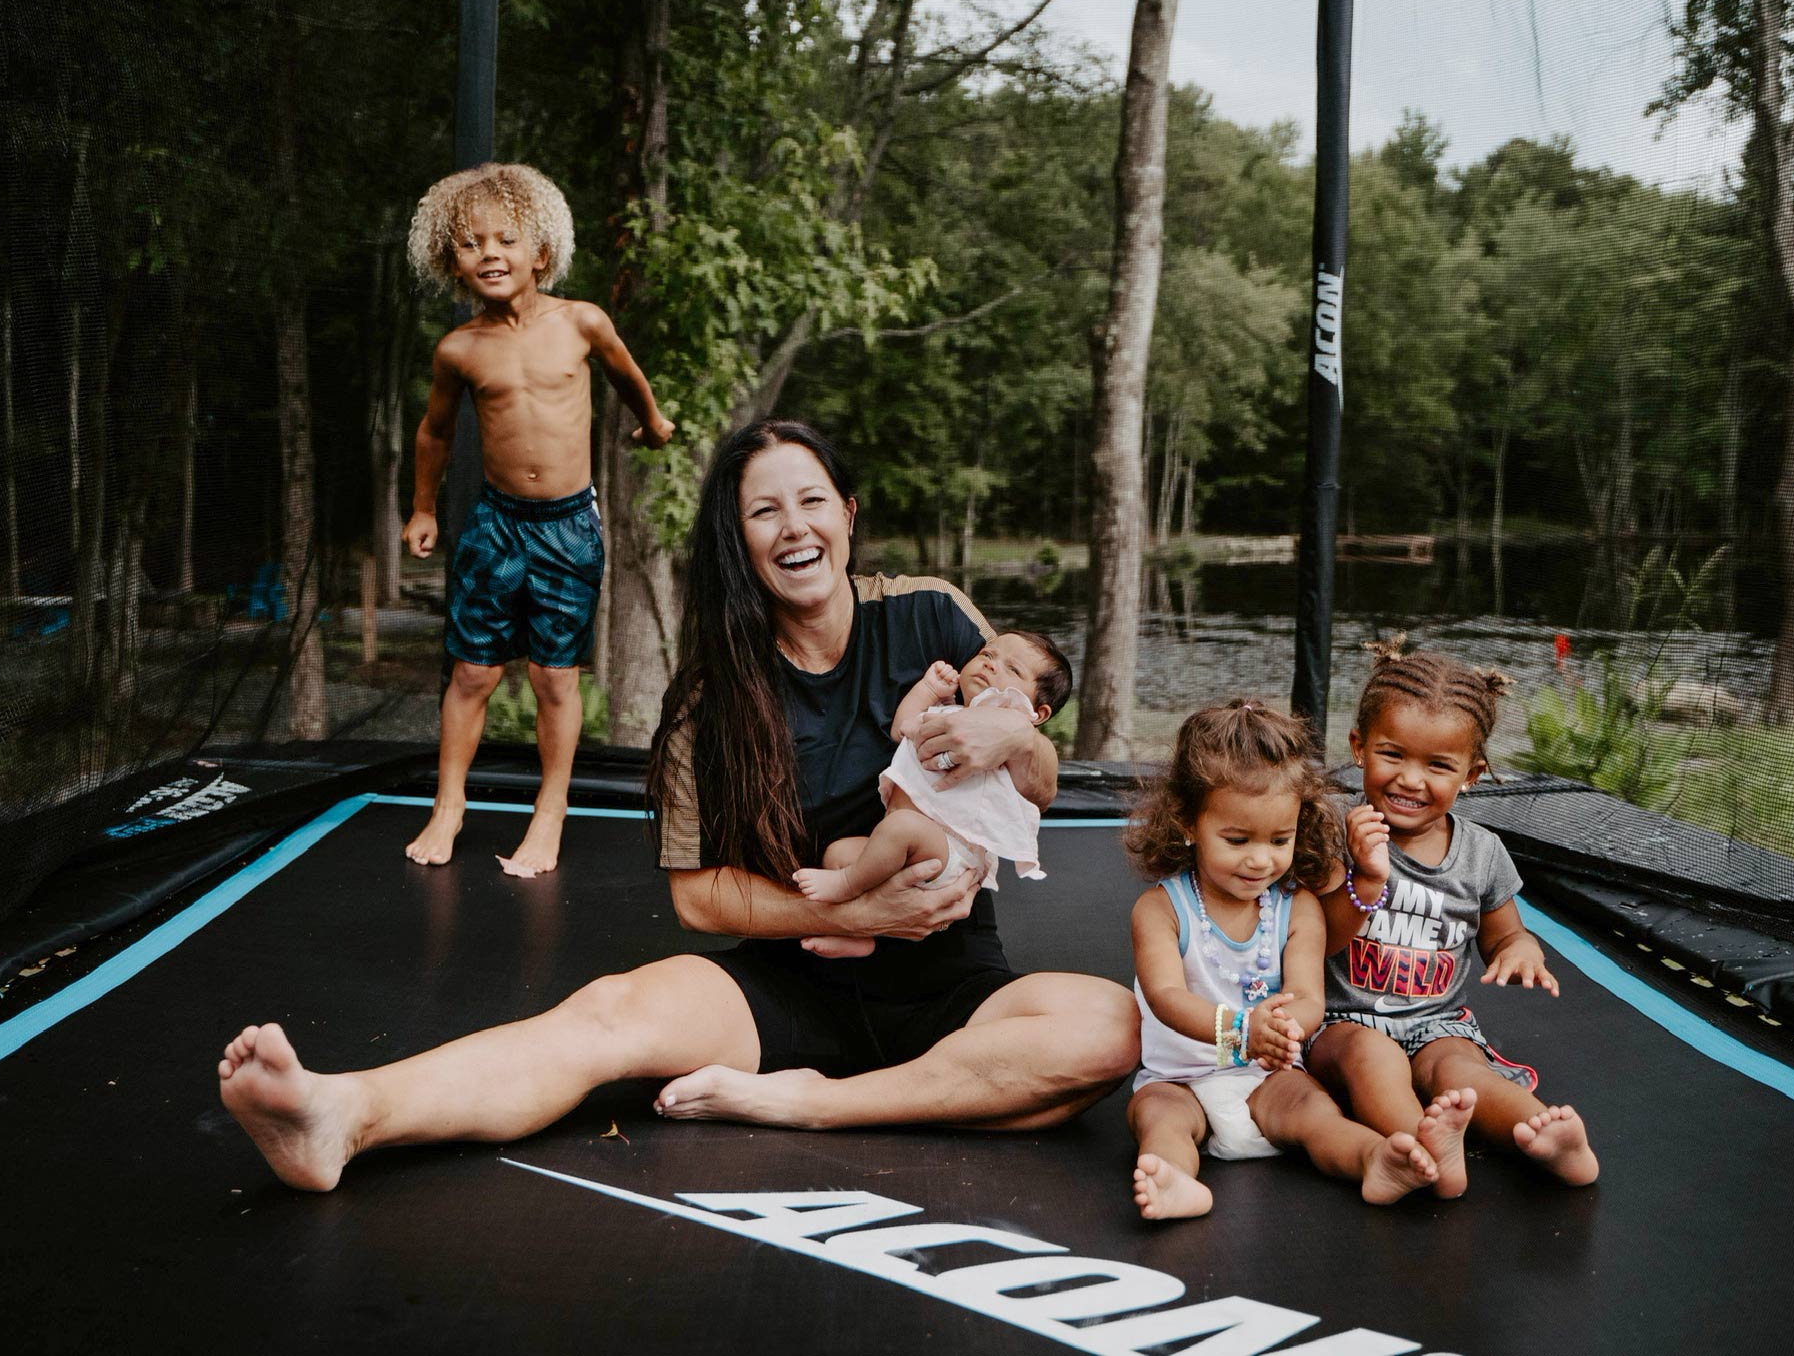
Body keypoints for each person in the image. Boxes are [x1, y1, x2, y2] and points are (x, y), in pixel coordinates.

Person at [215, 419, 1137, 1191]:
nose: (794, 527)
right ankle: (348, 1114)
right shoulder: (710, 698)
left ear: (848, 515)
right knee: (608, 1014)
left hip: (956, 986)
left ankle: (815, 1103)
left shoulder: (935, 616)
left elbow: (1034, 777)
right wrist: (856, 909)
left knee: (1109, 1029)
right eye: (764, 511)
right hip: (790, 985)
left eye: (812, 500)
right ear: (739, 542)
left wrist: (1019, 739)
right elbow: (699, 901)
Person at [399, 162, 675, 874]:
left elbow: (626, 372)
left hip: (567, 528)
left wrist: (652, 420)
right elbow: (434, 432)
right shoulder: (459, 349)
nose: (490, 253)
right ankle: (449, 804)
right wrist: (424, 507)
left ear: (540, 254)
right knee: (473, 674)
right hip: (496, 526)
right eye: (470, 244)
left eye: (506, 239)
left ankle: (549, 813)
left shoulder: (581, 321)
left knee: (554, 678)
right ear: (452, 263)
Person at [1124, 700, 1442, 1221]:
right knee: (1157, 1118)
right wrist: (1242, 1029)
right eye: (1237, 839)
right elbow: (1165, 996)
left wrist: (1280, 1030)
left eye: (1280, 840)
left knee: (1315, 1112)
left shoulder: (1297, 909)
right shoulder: (1162, 909)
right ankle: (1176, 1181)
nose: (1260, 859)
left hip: (1265, 1074)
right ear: (1188, 822)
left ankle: (1374, 1160)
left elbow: (1309, 997)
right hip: (1178, 1078)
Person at [1308, 636, 1600, 1197]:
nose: (1411, 780)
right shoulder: (1335, 832)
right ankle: (1420, 1146)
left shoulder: (1482, 852)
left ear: (1471, 773)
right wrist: (1365, 878)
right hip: (1342, 1022)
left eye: (1438, 765)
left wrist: (1520, 950)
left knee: (1461, 1073)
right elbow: (1317, 940)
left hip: (1438, 1022)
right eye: (1393, 754)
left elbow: (1506, 932)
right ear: (1359, 747)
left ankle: (1540, 1134)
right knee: (1373, 1056)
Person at [790, 630, 1071, 959]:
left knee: (901, 828)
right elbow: (903, 728)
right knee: (839, 853)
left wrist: (1016, 727)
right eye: (987, 655)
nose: (991, 666)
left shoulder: (1005, 737)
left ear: (1038, 713)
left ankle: (848, 885)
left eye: (1013, 670)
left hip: (949, 854)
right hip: (901, 845)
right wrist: (927, 690)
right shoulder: (945, 713)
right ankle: (859, 934)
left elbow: (1035, 787)